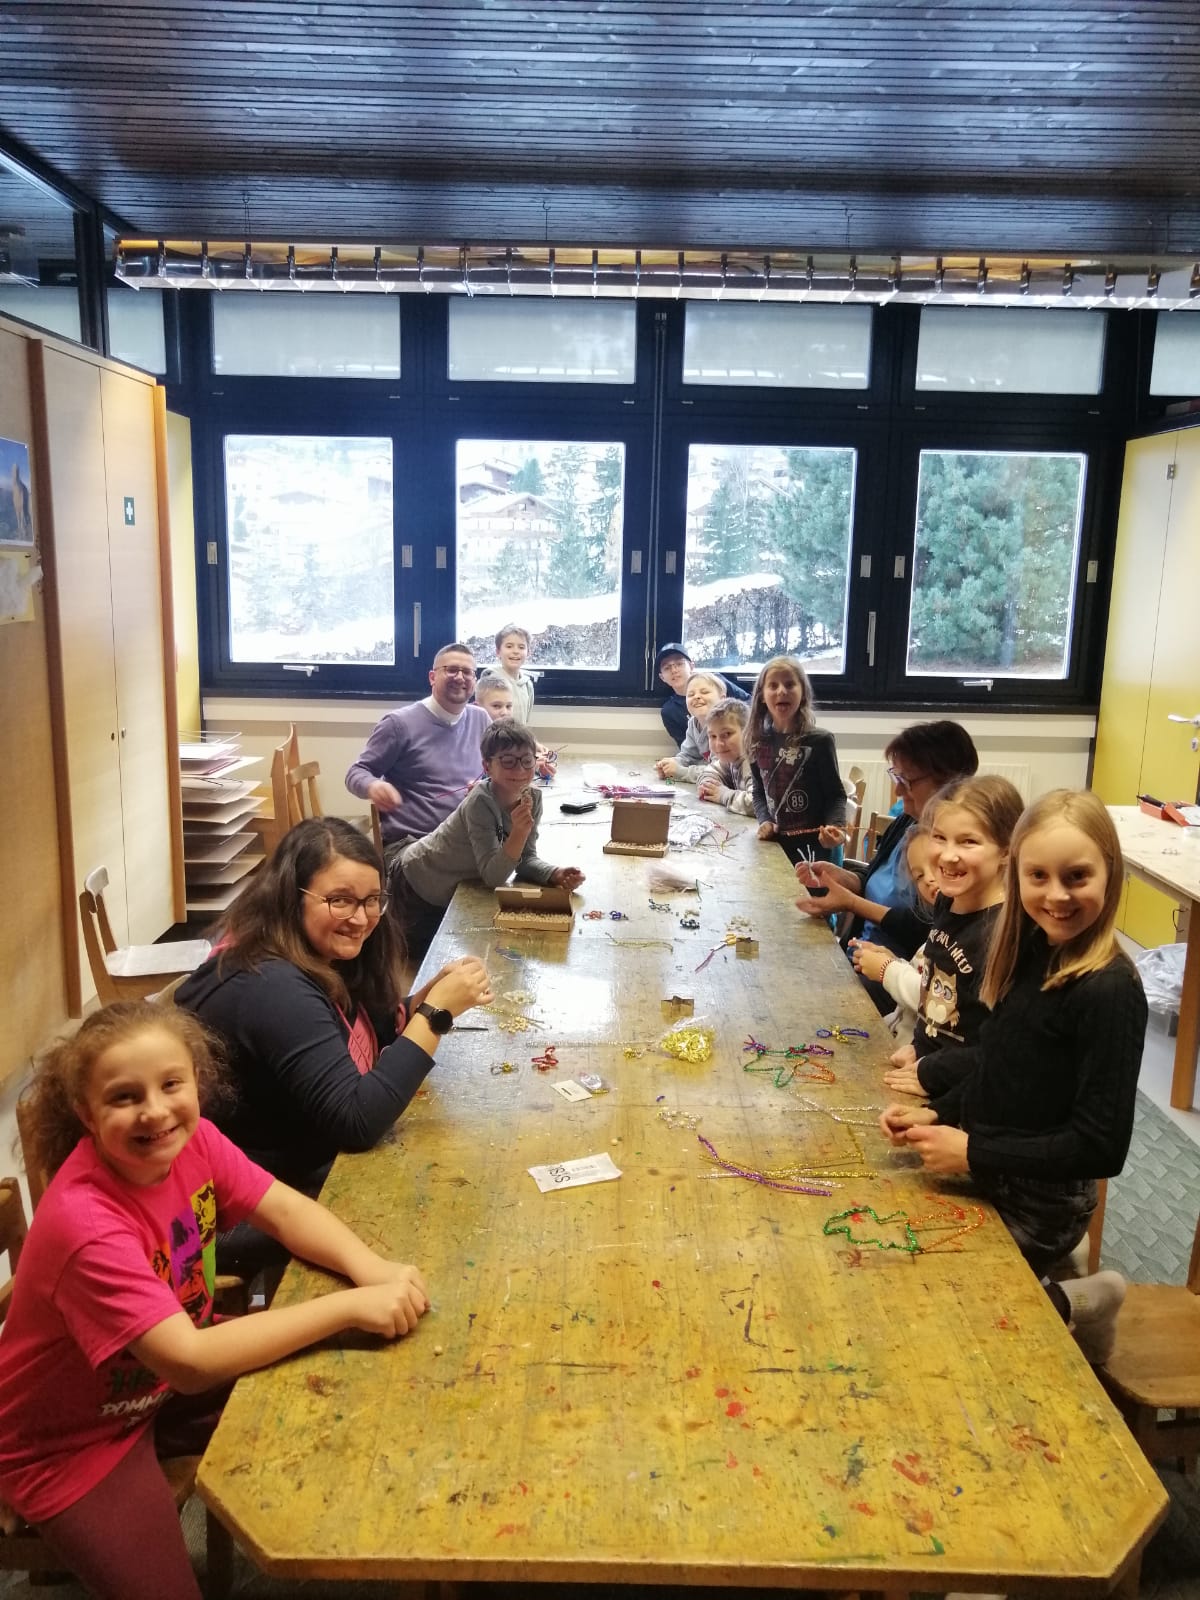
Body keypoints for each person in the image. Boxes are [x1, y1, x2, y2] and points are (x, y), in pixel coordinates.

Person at [0, 1001, 431, 1600]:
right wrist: (349, 1307)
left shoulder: (194, 1140)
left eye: (171, 1084)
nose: (155, 1110)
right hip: (71, 1441)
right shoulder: (86, 1225)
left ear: (196, 1083)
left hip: (153, 1387)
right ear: (85, 1112)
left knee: (359, 1392)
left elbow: (283, 1210)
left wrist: (372, 1270)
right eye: (124, 1097)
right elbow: (191, 1361)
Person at [879, 789, 1147, 1363]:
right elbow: (997, 1061)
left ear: (1111, 873)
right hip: (992, 1162)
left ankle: (1079, 1300)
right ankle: (1059, 1293)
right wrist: (938, 1111)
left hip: (1042, 1203)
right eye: (1038, 876)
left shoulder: (1110, 990)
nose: (1057, 895)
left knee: (948, 1313)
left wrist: (972, 1151)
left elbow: (1101, 1147)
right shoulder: (1025, 947)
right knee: (893, 1261)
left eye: (1077, 876)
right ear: (1017, 873)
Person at [176, 818, 493, 1206]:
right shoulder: (271, 987)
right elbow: (358, 1122)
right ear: (291, 896)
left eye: (372, 899)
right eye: (339, 900)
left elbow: (361, 1028)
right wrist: (435, 1013)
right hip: (266, 1196)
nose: (360, 919)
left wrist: (418, 1002)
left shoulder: (314, 949)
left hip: (301, 1164)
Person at [796, 719, 979, 1009]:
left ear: (948, 782)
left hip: (898, 974)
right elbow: (876, 880)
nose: (898, 791)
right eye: (896, 777)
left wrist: (851, 903)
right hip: (862, 954)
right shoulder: (906, 822)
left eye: (906, 780)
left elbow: (925, 927)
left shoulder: (951, 851)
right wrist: (843, 877)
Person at [872, 775, 1023, 1089]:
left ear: (1006, 850)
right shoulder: (947, 902)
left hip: (964, 1094)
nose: (948, 855)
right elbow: (934, 990)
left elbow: (1000, 1050)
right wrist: (919, 1047)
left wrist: (932, 1072)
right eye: (939, 837)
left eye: (968, 842)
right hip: (929, 1071)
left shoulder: (1004, 932)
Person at [393, 719, 586, 963]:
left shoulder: (533, 797)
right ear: (487, 766)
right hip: (417, 882)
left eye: (527, 761)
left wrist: (554, 873)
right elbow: (493, 877)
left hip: (456, 884)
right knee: (422, 964)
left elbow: (525, 859)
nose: (520, 770)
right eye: (508, 761)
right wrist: (518, 832)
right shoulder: (480, 802)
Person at [345, 642, 492, 866]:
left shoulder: (480, 718)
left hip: (468, 837)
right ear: (432, 677)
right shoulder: (398, 724)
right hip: (412, 845)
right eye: (452, 670)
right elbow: (357, 772)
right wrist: (373, 786)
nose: (460, 677)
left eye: (467, 672)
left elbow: (495, 768)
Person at [746, 654, 848, 867]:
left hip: (816, 849)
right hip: (776, 847)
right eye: (773, 685)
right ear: (762, 696)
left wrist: (836, 827)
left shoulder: (820, 741)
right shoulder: (756, 741)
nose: (781, 691)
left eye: (790, 684)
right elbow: (759, 791)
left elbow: (836, 795)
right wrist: (765, 820)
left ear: (803, 693)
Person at [846, 828, 939, 1046]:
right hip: (898, 1040)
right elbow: (922, 977)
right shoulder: (941, 927)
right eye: (919, 876)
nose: (928, 879)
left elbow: (938, 1000)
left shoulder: (963, 936)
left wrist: (887, 969)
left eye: (937, 866)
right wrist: (894, 961)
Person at [654, 643, 747, 747]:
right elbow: (687, 748)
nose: (674, 670)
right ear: (662, 677)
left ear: (691, 666)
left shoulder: (715, 681)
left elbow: (749, 704)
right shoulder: (670, 711)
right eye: (667, 668)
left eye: (679, 664)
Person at [655, 670, 727, 780]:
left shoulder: (726, 726)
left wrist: (681, 772)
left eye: (704, 692)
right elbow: (688, 755)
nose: (696, 696)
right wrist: (671, 764)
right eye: (691, 694)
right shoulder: (693, 723)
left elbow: (720, 771)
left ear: (722, 699)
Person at [696, 697, 755, 817]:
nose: (719, 744)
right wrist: (708, 785)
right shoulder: (731, 757)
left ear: (748, 732)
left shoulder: (754, 762)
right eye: (713, 736)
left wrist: (723, 795)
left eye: (727, 734)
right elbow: (710, 771)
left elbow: (757, 804)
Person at [486, 624, 536, 725]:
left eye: (521, 647)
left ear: (528, 653)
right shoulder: (489, 682)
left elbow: (525, 721)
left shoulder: (528, 685)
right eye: (509, 646)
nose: (515, 651)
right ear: (498, 652)